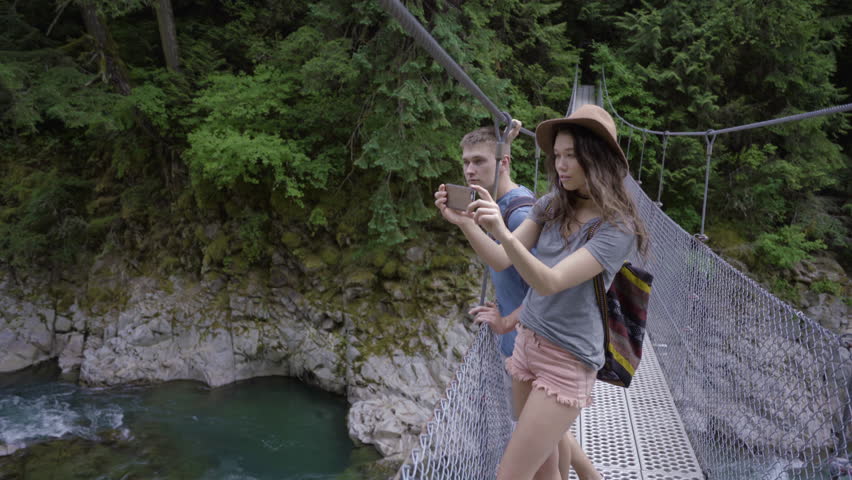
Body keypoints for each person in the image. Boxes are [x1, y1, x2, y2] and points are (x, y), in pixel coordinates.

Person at [435, 104, 648, 480]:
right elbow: (502, 260)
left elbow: (548, 281)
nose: (561, 165)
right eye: (558, 156)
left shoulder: (617, 228)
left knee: (510, 475)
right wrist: (466, 223)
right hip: (527, 343)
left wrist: (500, 229)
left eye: (572, 156)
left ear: (596, 158)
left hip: (567, 360)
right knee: (543, 471)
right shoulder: (552, 204)